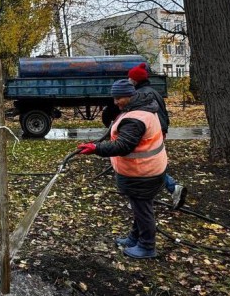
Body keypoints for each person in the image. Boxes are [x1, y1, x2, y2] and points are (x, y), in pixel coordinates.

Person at [77, 80, 167, 259]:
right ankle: (135, 238)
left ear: (130, 95)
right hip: (147, 170)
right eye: (114, 97)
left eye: (119, 98)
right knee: (139, 208)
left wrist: (96, 148)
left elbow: (123, 145)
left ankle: (147, 246)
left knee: (143, 209)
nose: (115, 102)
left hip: (143, 173)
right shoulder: (141, 108)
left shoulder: (136, 118)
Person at [126, 63, 187, 209]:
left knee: (142, 166)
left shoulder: (141, 94)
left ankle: (144, 197)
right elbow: (163, 114)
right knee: (150, 165)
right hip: (158, 132)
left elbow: (141, 118)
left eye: (130, 77)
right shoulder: (154, 92)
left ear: (135, 80)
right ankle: (169, 189)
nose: (128, 80)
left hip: (150, 134)